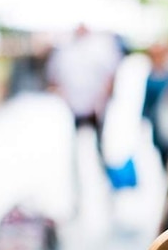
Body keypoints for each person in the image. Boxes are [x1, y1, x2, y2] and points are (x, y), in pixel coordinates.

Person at [46, 23, 124, 154]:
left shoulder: (101, 48)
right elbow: (53, 78)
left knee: (99, 146)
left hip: (97, 108)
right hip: (73, 107)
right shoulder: (65, 50)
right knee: (75, 144)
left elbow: (112, 76)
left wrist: (101, 100)